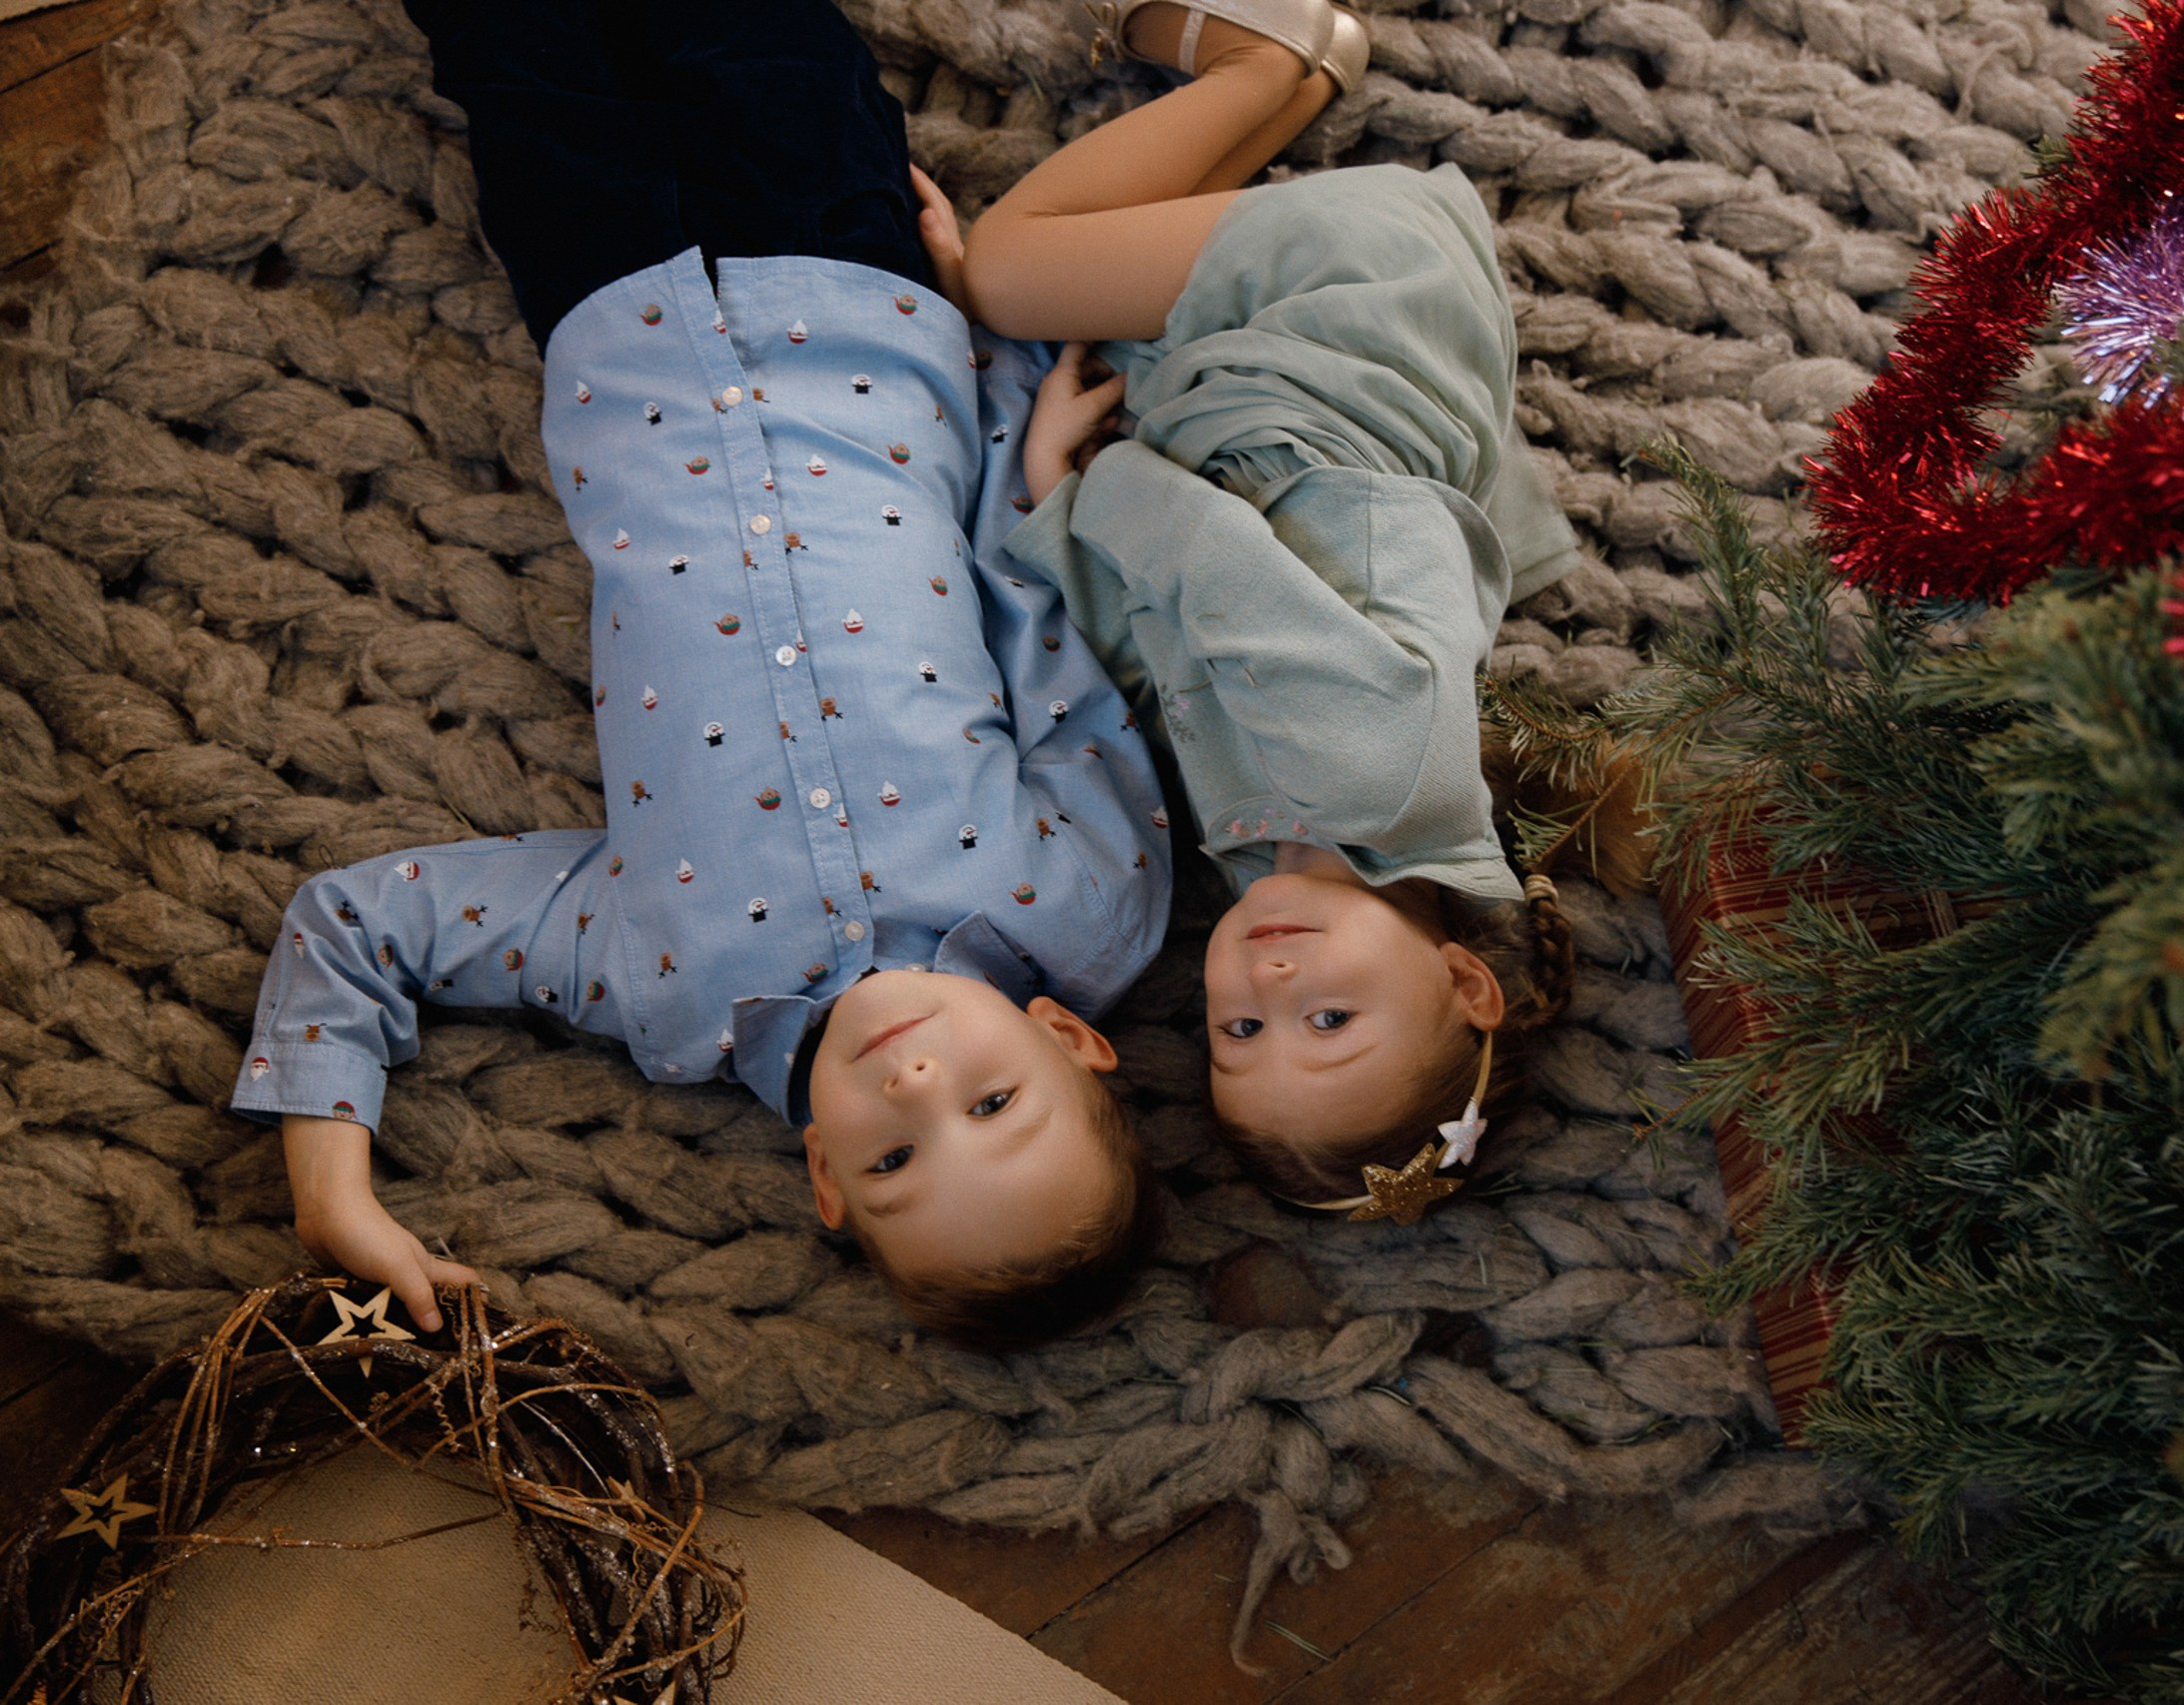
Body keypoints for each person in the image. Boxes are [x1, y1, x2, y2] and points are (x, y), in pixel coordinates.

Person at [230, 0, 1174, 1351]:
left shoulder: (668, 988)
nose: (913, 1081)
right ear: (1073, 1044)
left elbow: (361, 923)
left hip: (615, 319)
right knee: (757, 33)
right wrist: (1020, 413)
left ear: (825, 1182)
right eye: (991, 1105)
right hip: (859, 295)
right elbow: (1051, 641)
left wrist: (333, 1185)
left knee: (521, 52)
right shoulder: (1091, 905)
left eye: (896, 1159)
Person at [940, 0, 1583, 1218]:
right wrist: (1068, 491)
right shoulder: (1375, 780)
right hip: (1353, 305)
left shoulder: (1271, 850)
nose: (1269, 977)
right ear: (1467, 980)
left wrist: (1060, 516)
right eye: (1327, 1018)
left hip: (1313, 385)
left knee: (1074, 291)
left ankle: (1298, 83)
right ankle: (1270, 57)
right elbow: (1203, 562)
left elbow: (1161, 666)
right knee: (1006, 270)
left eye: (1239, 1026)